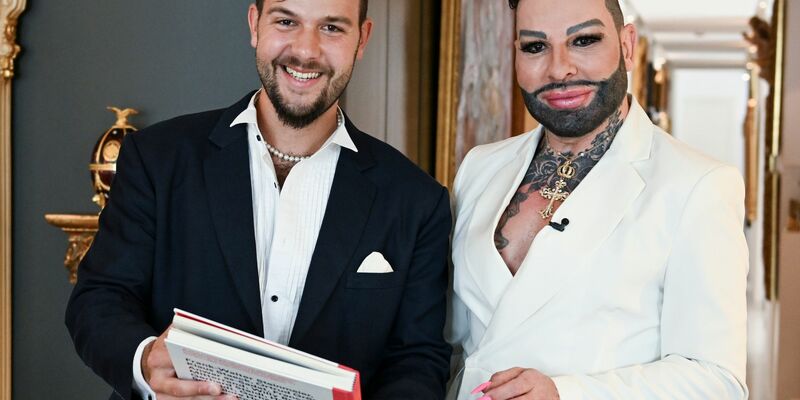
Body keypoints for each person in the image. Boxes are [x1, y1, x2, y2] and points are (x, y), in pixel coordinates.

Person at [65, 1, 452, 399]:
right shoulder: (157, 158)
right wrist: (146, 361)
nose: (306, 50)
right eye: (286, 21)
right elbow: (100, 299)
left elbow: (417, 359)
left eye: (332, 28)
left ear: (362, 39)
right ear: (255, 25)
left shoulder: (417, 201)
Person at [447, 0, 748, 398]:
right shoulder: (480, 167)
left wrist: (566, 394)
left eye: (584, 40)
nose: (559, 69)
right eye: (535, 47)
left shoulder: (699, 185)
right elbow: (451, 339)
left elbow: (717, 380)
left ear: (627, 46)